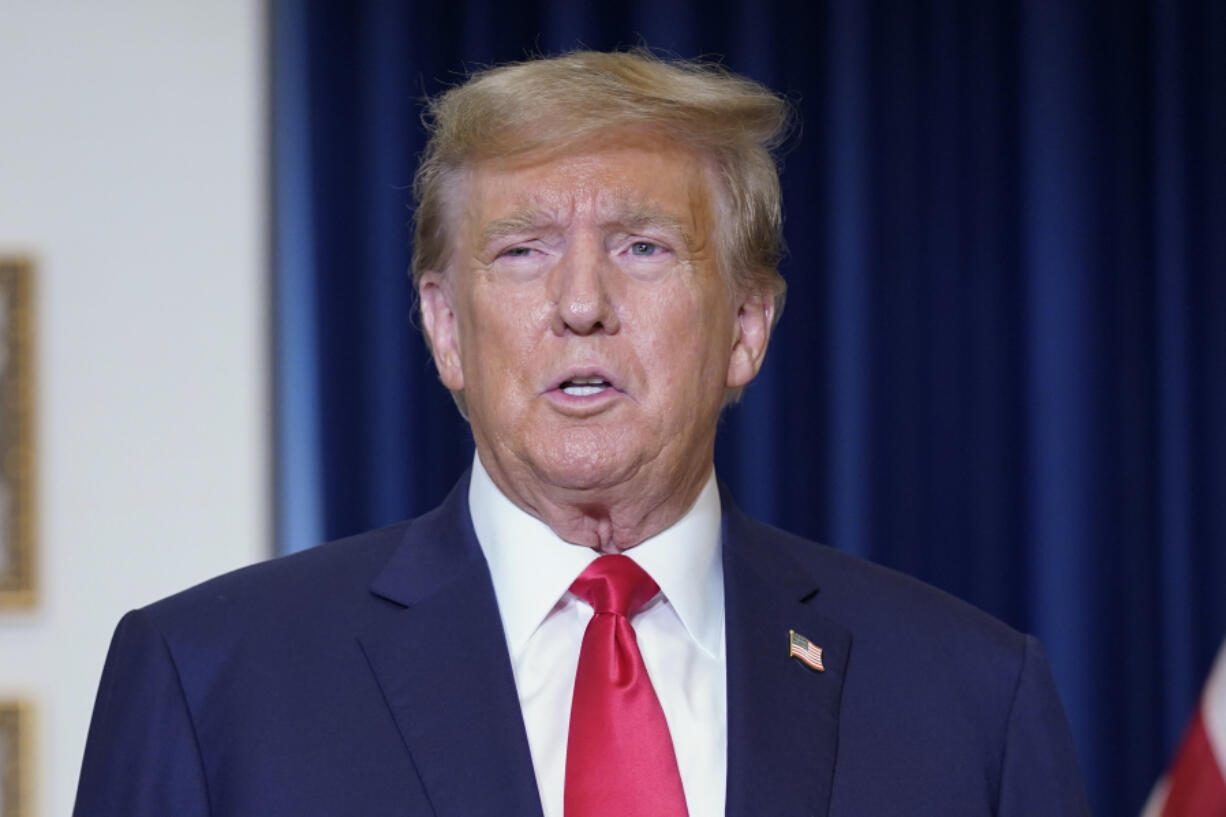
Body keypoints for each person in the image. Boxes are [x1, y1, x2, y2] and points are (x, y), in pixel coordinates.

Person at [74, 50, 1089, 816]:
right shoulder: (208, 681)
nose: (580, 304)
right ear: (443, 327)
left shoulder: (966, 699)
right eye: (521, 251)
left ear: (744, 325)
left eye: (641, 246)